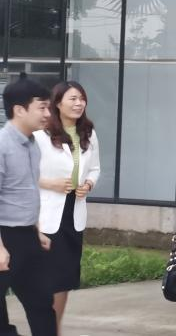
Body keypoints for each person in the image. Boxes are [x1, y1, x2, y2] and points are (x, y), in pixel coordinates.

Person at [34, 82, 101, 335]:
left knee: (63, 279)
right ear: (58, 103)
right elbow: (23, 173)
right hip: (46, 214)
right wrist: (49, 183)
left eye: (82, 98)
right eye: (73, 98)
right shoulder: (40, 136)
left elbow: (95, 168)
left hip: (74, 213)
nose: (79, 103)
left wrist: (88, 184)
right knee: (46, 278)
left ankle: (54, 329)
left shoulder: (88, 134)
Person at [0, 78, 55, 336]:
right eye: (42, 107)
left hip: (27, 235)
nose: (48, 114)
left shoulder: (33, 144)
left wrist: (37, 229)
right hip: (5, 236)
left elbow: (27, 190)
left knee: (41, 302)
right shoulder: (2, 145)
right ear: (19, 110)